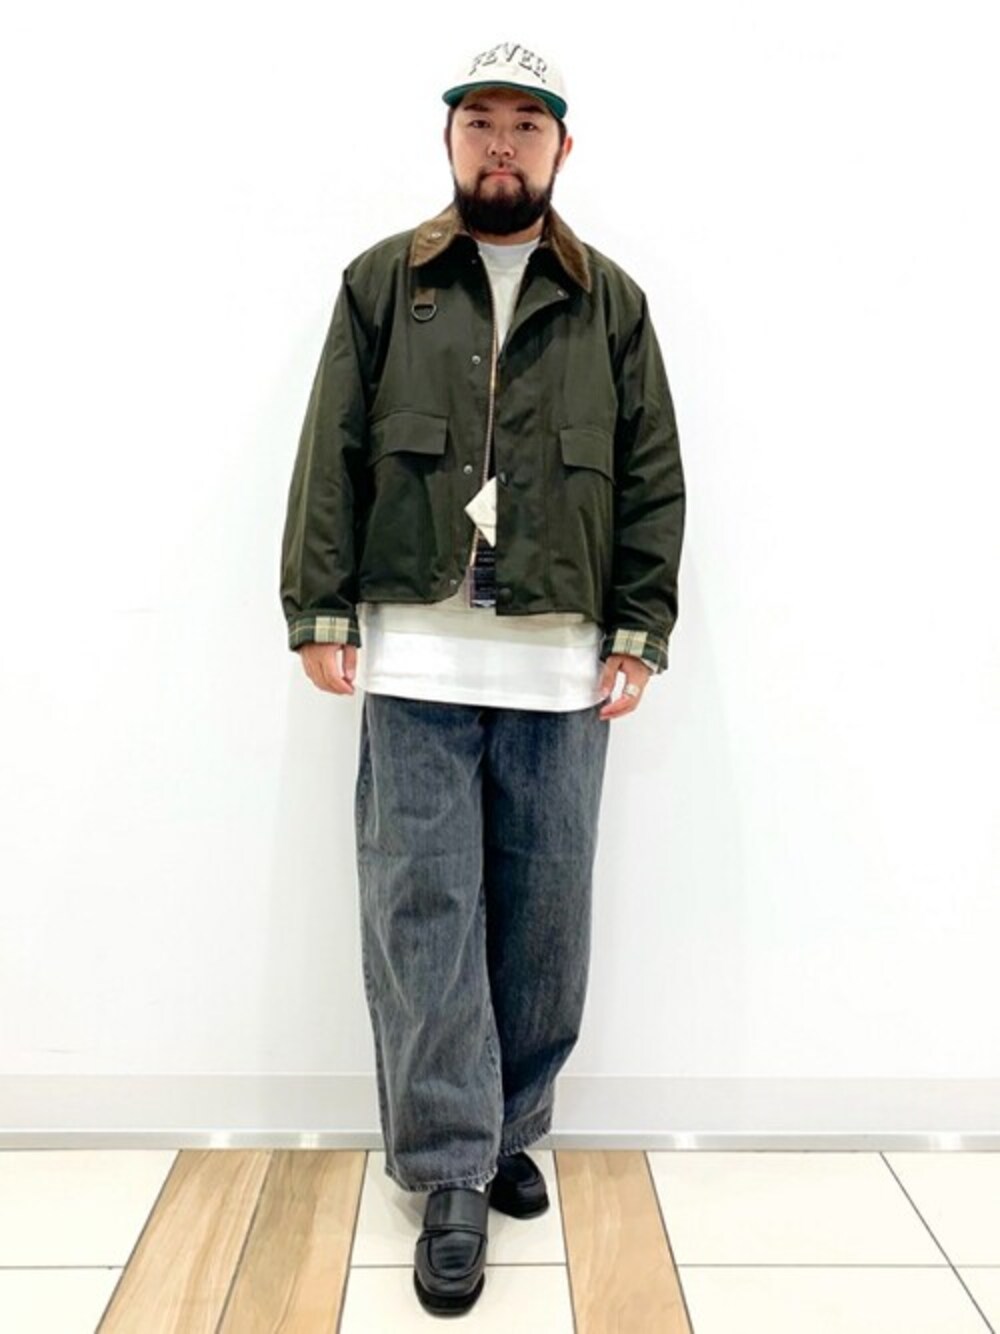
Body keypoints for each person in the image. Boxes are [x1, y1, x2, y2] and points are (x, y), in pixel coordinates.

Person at [279, 39, 685, 1318]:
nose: (501, 144)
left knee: (543, 914)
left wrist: (639, 626)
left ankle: (509, 1124)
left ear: (562, 146)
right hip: (414, 647)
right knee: (424, 912)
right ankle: (451, 1170)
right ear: (449, 139)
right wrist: (316, 605)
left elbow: (652, 475)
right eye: (480, 122)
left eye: (526, 124)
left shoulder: (612, 302)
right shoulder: (381, 283)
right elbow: (332, 448)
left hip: (561, 658)